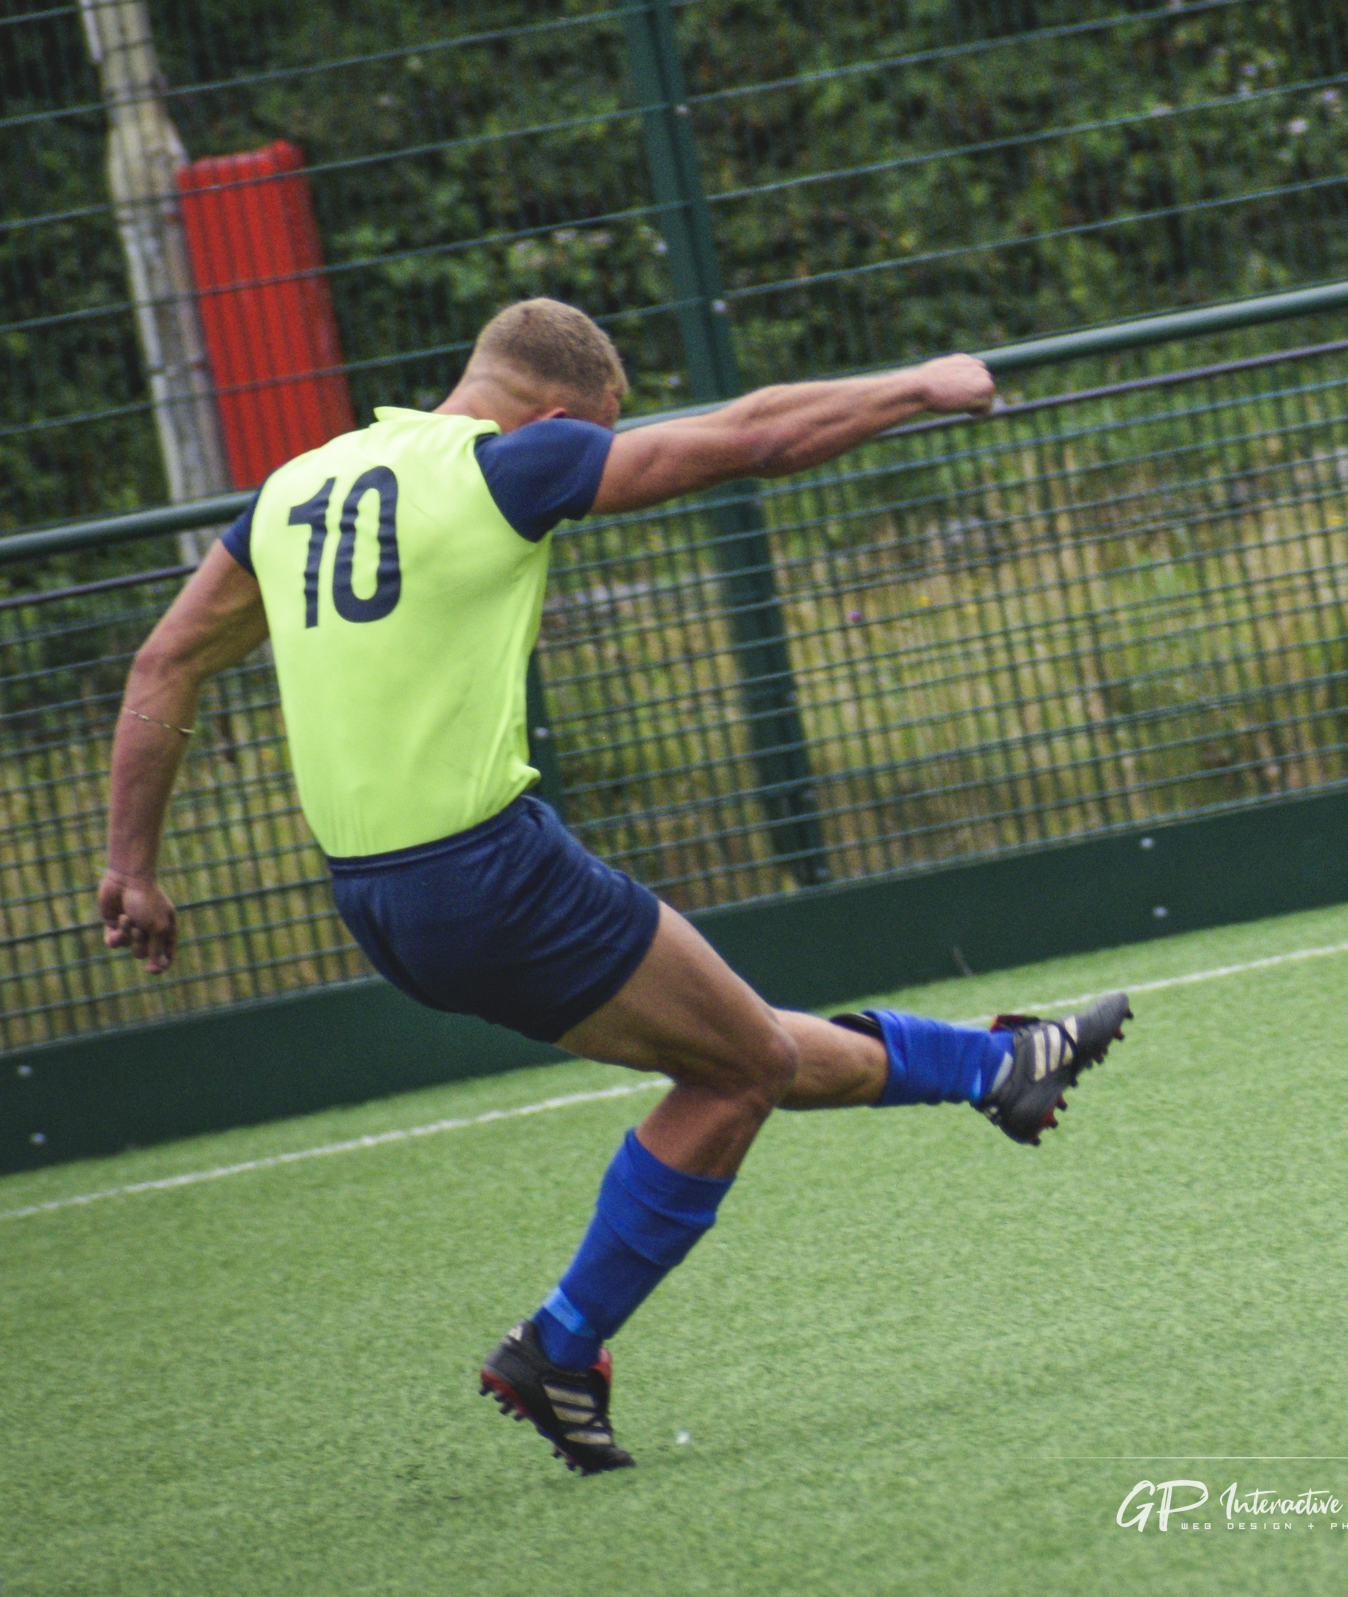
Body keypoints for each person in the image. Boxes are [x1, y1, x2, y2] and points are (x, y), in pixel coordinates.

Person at [96, 298, 1131, 1475]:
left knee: (734, 1043)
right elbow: (747, 438)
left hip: (375, 903)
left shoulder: (294, 489)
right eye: (597, 432)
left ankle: (999, 1066)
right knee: (744, 1068)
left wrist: (133, 863)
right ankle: (560, 1344)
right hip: (488, 872)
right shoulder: (508, 462)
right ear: (556, 412)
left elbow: (162, 660)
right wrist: (920, 384)